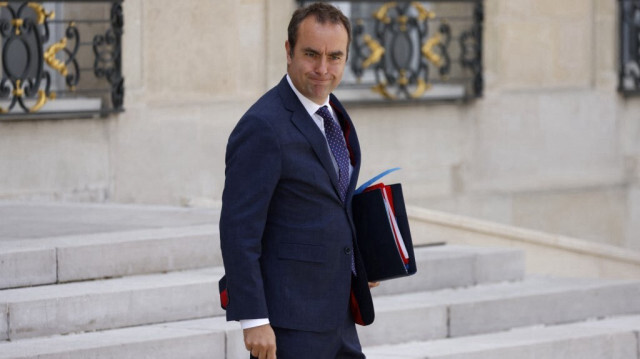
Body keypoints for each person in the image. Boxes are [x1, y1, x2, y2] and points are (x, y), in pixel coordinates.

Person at [219, 3, 377, 359]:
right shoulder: (262, 126)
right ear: (288, 51)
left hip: (338, 315)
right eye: (311, 54)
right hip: (288, 325)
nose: (323, 69)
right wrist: (253, 318)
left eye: (335, 57)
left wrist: (361, 260)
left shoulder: (333, 113)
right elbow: (238, 229)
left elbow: (333, 201)